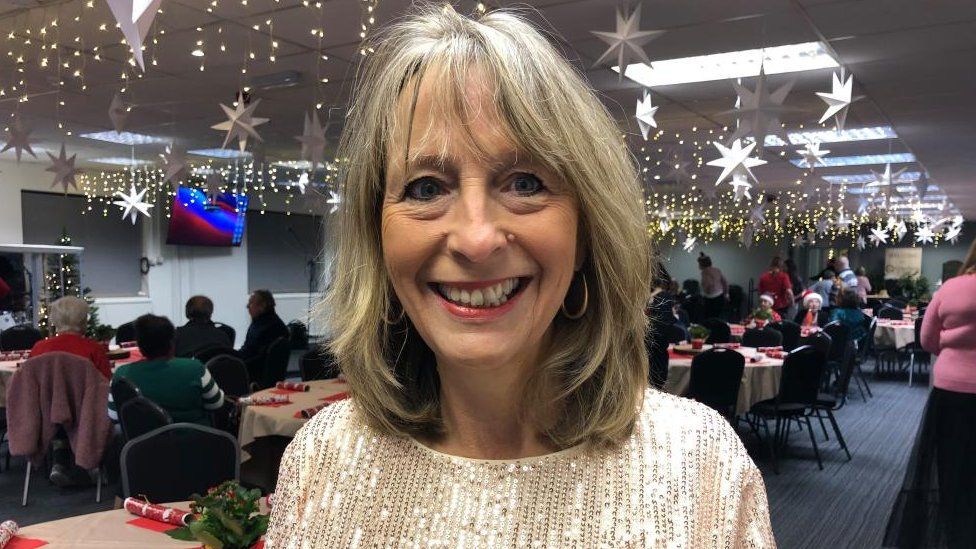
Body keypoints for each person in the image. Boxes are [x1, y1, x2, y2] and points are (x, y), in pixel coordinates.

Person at [266, 6, 773, 546]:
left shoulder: (699, 466)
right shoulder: (323, 458)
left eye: (525, 183)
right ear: (378, 241)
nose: (476, 239)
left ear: (585, 233)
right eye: (426, 188)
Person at [886, 238, 976, 547]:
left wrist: (954, 348)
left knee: (950, 464)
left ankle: (953, 532)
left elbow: (927, 340)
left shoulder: (950, 288)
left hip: (950, 388)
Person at [108, 314, 225, 426]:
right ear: (171, 343)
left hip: (144, 444)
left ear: (140, 346)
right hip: (197, 442)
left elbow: (113, 415)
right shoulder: (195, 368)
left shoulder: (121, 375)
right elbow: (216, 403)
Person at [30, 296, 112, 379]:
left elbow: (30, 380)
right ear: (83, 320)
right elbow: (104, 383)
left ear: (54, 320)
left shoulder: (39, 348)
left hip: (47, 392)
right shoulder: (94, 349)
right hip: (85, 392)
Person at [238, 289, 289, 381]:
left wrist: (238, 363)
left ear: (262, 306)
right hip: (249, 364)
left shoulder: (273, 328)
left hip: (255, 373)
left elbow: (261, 359)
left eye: (251, 303)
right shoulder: (260, 323)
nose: (247, 306)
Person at [699, 252, 728, 320]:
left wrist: (705, 293)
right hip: (720, 297)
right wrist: (726, 294)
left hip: (711, 299)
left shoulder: (705, 272)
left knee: (710, 319)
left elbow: (709, 284)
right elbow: (725, 282)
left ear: (702, 264)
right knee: (718, 318)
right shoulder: (717, 270)